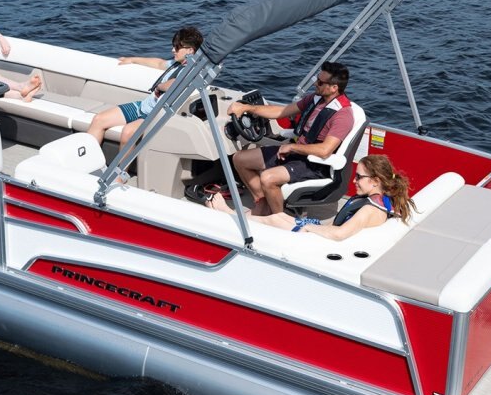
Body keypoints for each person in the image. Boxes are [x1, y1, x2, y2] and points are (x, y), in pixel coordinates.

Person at [225, 61, 358, 215]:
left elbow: (325, 150)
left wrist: (292, 147)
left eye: (321, 82)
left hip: (313, 163)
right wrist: (247, 108)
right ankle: (262, 201)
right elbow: (282, 111)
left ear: (334, 88)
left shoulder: (343, 115)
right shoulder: (316, 99)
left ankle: (278, 218)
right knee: (240, 159)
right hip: (295, 153)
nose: (316, 84)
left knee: (268, 178)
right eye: (316, 79)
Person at [206, 155, 415, 241]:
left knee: (274, 219)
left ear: (376, 181)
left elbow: (339, 234)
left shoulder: (369, 210)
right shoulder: (382, 199)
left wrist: (308, 227)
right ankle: (234, 215)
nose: (354, 180)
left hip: (320, 242)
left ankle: (229, 215)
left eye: (359, 177)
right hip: (322, 231)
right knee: (281, 216)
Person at [86, 26, 204, 146]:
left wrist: (159, 87)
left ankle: (121, 160)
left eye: (177, 47)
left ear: (190, 50)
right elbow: (159, 63)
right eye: (173, 46)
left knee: (128, 132)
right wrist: (132, 60)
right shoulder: (176, 64)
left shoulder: (192, 70)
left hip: (153, 116)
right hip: (143, 107)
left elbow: (176, 83)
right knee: (99, 119)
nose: (173, 50)